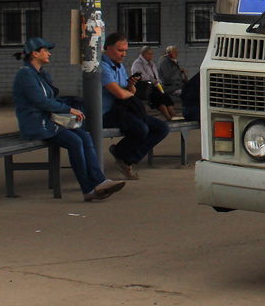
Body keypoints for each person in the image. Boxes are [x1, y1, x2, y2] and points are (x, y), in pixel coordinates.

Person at [12, 37, 125, 202]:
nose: (49, 54)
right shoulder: (25, 75)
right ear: (35, 54)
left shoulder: (42, 74)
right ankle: (87, 189)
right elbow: (41, 102)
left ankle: (100, 181)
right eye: (46, 50)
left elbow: (53, 98)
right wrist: (69, 109)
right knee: (75, 142)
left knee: (85, 137)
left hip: (49, 121)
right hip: (36, 124)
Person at [102, 33, 170, 180]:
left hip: (123, 110)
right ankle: (122, 155)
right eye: (120, 50)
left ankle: (125, 158)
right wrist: (130, 94)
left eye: (125, 51)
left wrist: (131, 86)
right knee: (141, 128)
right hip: (106, 113)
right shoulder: (103, 67)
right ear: (108, 48)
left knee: (162, 128)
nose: (123, 54)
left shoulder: (118, 66)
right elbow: (119, 94)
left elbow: (128, 91)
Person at [131, 45, 176, 121]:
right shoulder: (138, 63)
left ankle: (173, 114)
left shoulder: (151, 64)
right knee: (158, 96)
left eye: (151, 54)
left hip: (153, 86)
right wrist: (154, 81)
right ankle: (168, 116)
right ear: (143, 54)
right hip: (143, 87)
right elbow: (143, 76)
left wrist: (158, 82)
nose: (151, 56)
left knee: (165, 96)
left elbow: (156, 75)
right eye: (148, 54)